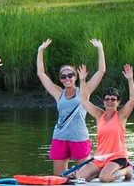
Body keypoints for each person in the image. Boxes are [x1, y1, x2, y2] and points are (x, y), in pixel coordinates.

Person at [37, 37, 106, 175]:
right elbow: (41, 73)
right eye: (63, 76)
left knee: (83, 175)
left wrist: (100, 49)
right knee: (58, 177)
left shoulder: (84, 91)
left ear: (75, 77)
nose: (67, 78)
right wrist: (40, 51)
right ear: (60, 79)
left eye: (70, 75)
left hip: (79, 137)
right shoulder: (58, 93)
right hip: (59, 137)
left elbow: (101, 71)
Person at [76, 64, 134, 182]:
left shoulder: (121, 116)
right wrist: (82, 80)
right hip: (101, 158)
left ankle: (127, 170)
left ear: (118, 102)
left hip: (117, 157)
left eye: (113, 99)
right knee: (80, 177)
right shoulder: (99, 115)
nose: (110, 102)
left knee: (105, 178)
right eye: (107, 99)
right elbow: (84, 100)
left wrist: (130, 79)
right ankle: (101, 170)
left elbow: (133, 99)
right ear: (103, 101)